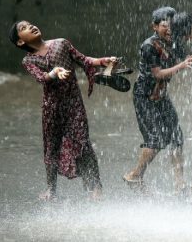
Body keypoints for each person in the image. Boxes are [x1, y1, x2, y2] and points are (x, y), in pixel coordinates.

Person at [8, 20, 116, 200]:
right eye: (24, 28)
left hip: (73, 104)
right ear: (20, 42)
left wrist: (103, 61)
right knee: (51, 147)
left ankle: (96, 187)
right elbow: (41, 77)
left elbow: (83, 60)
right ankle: (51, 189)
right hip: (52, 109)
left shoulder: (61, 43)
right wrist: (54, 72)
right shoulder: (28, 60)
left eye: (30, 24)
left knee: (83, 143)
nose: (32, 26)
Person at [123, 7, 192, 194]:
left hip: (161, 96)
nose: (169, 28)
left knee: (176, 137)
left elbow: (188, 56)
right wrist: (182, 65)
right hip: (145, 97)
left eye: (171, 25)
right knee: (155, 139)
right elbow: (157, 74)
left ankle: (180, 185)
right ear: (154, 26)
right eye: (164, 25)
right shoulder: (149, 46)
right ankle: (135, 175)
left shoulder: (173, 42)